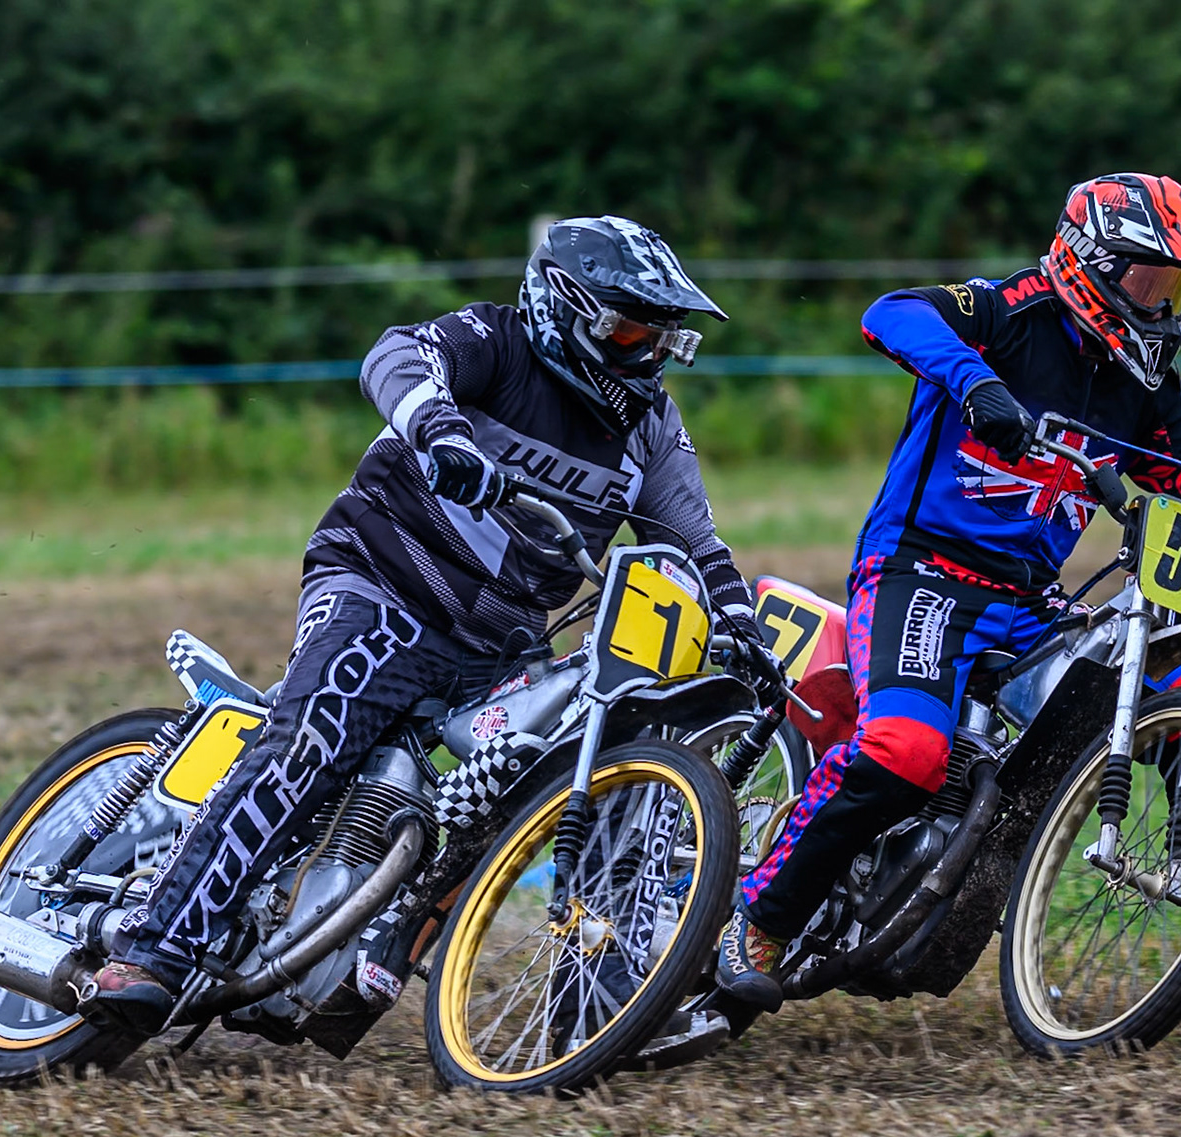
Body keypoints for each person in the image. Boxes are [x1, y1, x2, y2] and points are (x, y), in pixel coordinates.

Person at [86, 215, 775, 1035]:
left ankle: (558, 987)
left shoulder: (651, 425)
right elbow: (395, 354)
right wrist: (441, 431)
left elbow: (693, 539)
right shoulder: (495, 340)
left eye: (664, 337)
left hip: (501, 641)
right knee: (314, 735)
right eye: (632, 329)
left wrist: (740, 625)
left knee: (530, 781)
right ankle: (153, 946)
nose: (651, 354)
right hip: (382, 581)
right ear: (566, 306)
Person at [716, 173, 1181, 1028]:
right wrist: (977, 385)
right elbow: (892, 312)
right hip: (920, 575)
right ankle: (755, 922)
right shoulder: (1012, 309)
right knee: (906, 748)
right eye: (1153, 282)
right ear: (1091, 264)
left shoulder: (1149, 384)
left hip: (1030, 604)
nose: (1166, 307)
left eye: (1180, 288)